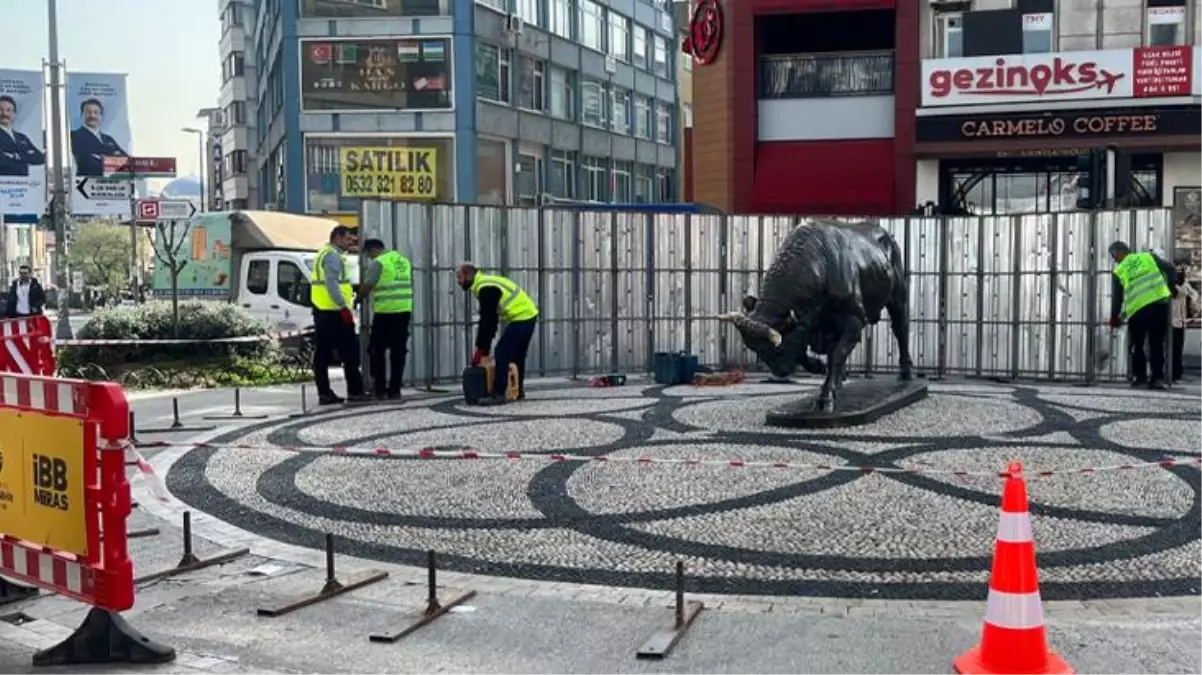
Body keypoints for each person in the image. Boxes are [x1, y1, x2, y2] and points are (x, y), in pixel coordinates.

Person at [456, 262, 538, 405]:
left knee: (501, 352)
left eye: (459, 277)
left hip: (522, 316)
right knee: (517, 355)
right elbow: (490, 322)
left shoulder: (485, 287)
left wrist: (481, 348)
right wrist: (483, 347)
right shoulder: (485, 283)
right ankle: (517, 391)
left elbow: (488, 321)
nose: (458, 281)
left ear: (468, 275)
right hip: (528, 314)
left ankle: (498, 394)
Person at [311, 225, 368, 405]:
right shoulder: (333, 256)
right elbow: (332, 284)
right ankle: (355, 391)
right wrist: (343, 307)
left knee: (323, 354)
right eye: (347, 239)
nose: (350, 243)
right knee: (349, 352)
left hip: (323, 309)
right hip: (335, 312)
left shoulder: (323, 253)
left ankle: (325, 393)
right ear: (337, 237)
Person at [1108, 241, 1176, 389]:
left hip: (1138, 309)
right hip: (1159, 304)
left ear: (1119, 253)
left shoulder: (1119, 270)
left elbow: (1117, 297)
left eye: (1113, 256)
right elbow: (1170, 269)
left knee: (1137, 345)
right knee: (1156, 343)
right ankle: (1157, 379)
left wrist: (1114, 316)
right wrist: (1172, 286)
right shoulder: (1148, 257)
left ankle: (1140, 378)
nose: (1114, 260)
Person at [357, 238, 412, 400]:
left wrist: (359, 297)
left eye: (369, 255)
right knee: (398, 352)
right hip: (404, 311)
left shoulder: (379, 262)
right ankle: (395, 390)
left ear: (373, 250)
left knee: (376, 351)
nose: (370, 259)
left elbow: (368, 285)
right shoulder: (402, 260)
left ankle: (380, 389)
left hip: (385, 313)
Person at [70, 98, 129, 177]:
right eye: (88, 112)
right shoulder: (74, 136)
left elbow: (126, 161)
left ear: (101, 116)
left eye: (96, 112)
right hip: (87, 184)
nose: (92, 116)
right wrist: (112, 161)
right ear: (82, 115)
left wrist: (104, 159)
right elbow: (87, 162)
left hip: (112, 185)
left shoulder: (108, 139)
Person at [0, 95, 46, 177]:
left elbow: (40, 158)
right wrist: (27, 155)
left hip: (24, 185)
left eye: (9, 110)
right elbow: (2, 160)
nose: (5, 113)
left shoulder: (22, 137)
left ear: (14, 114)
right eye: (1, 109)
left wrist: (16, 156)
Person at [1171, 263, 1199, 382]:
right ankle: (1175, 373)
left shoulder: (1174, 285)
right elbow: (1194, 295)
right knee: (1176, 349)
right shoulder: (1182, 286)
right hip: (1177, 321)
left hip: (1177, 321)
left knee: (1174, 350)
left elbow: (1194, 295)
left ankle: (1174, 373)